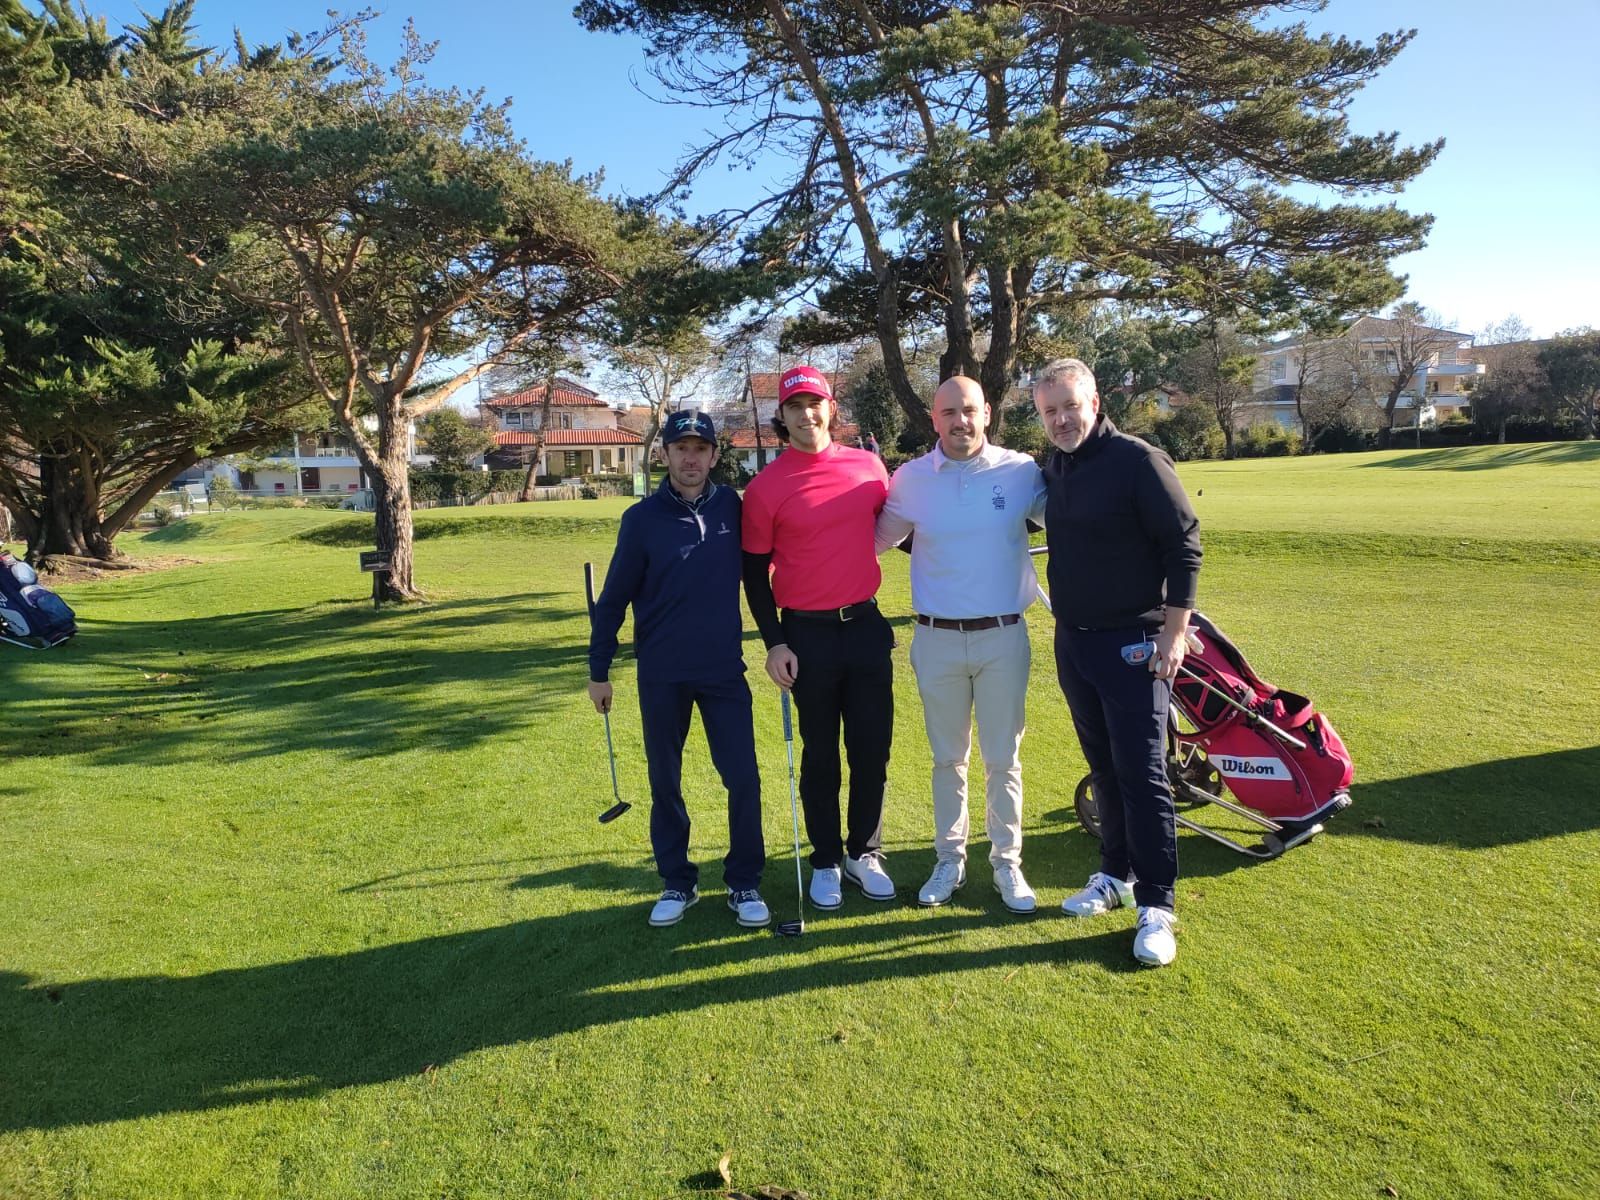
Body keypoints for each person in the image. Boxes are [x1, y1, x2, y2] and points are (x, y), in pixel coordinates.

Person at [1033, 359, 1202, 967]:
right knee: (1103, 767)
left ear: (1095, 402)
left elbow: (1184, 546)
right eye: (1049, 411)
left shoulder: (1139, 460)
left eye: (1069, 407)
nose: (1060, 420)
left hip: (1135, 642)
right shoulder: (1056, 467)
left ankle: (1156, 903)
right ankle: (1115, 874)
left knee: (1142, 774)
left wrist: (1175, 634)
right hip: (1074, 642)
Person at [587, 409, 767, 929]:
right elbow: (613, 601)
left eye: (700, 449)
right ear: (664, 453)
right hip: (662, 673)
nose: (691, 458)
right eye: (681, 448)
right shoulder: (641, 519)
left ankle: (744, 881)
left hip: (723, 671)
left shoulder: (733, 506)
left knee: (743, 777)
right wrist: (599, 670)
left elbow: (764, 572)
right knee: (665, 780)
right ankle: (677, 881)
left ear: (714, 455)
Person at [875, 376, 1046, 914]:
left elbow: (1076, 520)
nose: (960, 421)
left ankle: (1007, 862)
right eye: (948, 412)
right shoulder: (911, 479)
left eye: (969, 410)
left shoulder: (1021, 471)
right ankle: (950, 859)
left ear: (987, 413)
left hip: (1003, 635)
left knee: (1003, 758)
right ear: (934, 419)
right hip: (937, 638)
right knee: (948, 759)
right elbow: (872, 541)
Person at [742, 366, 896, 908]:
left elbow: (899, 530)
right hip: (806, 635)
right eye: (794, 406)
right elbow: (753, 574)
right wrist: (774, 642)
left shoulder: (869, 467)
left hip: (866, 628)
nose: (807, 414)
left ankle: (864, 852)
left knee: (872, 749)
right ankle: (827, 859)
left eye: (815, 403)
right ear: (781, 417)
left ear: (831, 408)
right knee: (821, 755)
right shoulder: (765, 488)